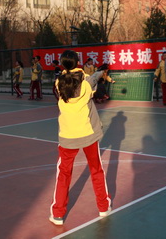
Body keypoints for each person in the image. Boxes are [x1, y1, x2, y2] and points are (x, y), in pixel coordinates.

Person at [49, 50, 111, 226]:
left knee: (63, 174)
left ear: (62, 64)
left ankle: (58, 214)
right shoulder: (86, 83)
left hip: (67, 134)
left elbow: (72, 78)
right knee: (96, 169)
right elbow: (93, 79)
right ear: (78, 63)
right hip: (87, 132)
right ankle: (103, 207)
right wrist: (100, 72)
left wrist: (97, 72)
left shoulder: (58, 83)